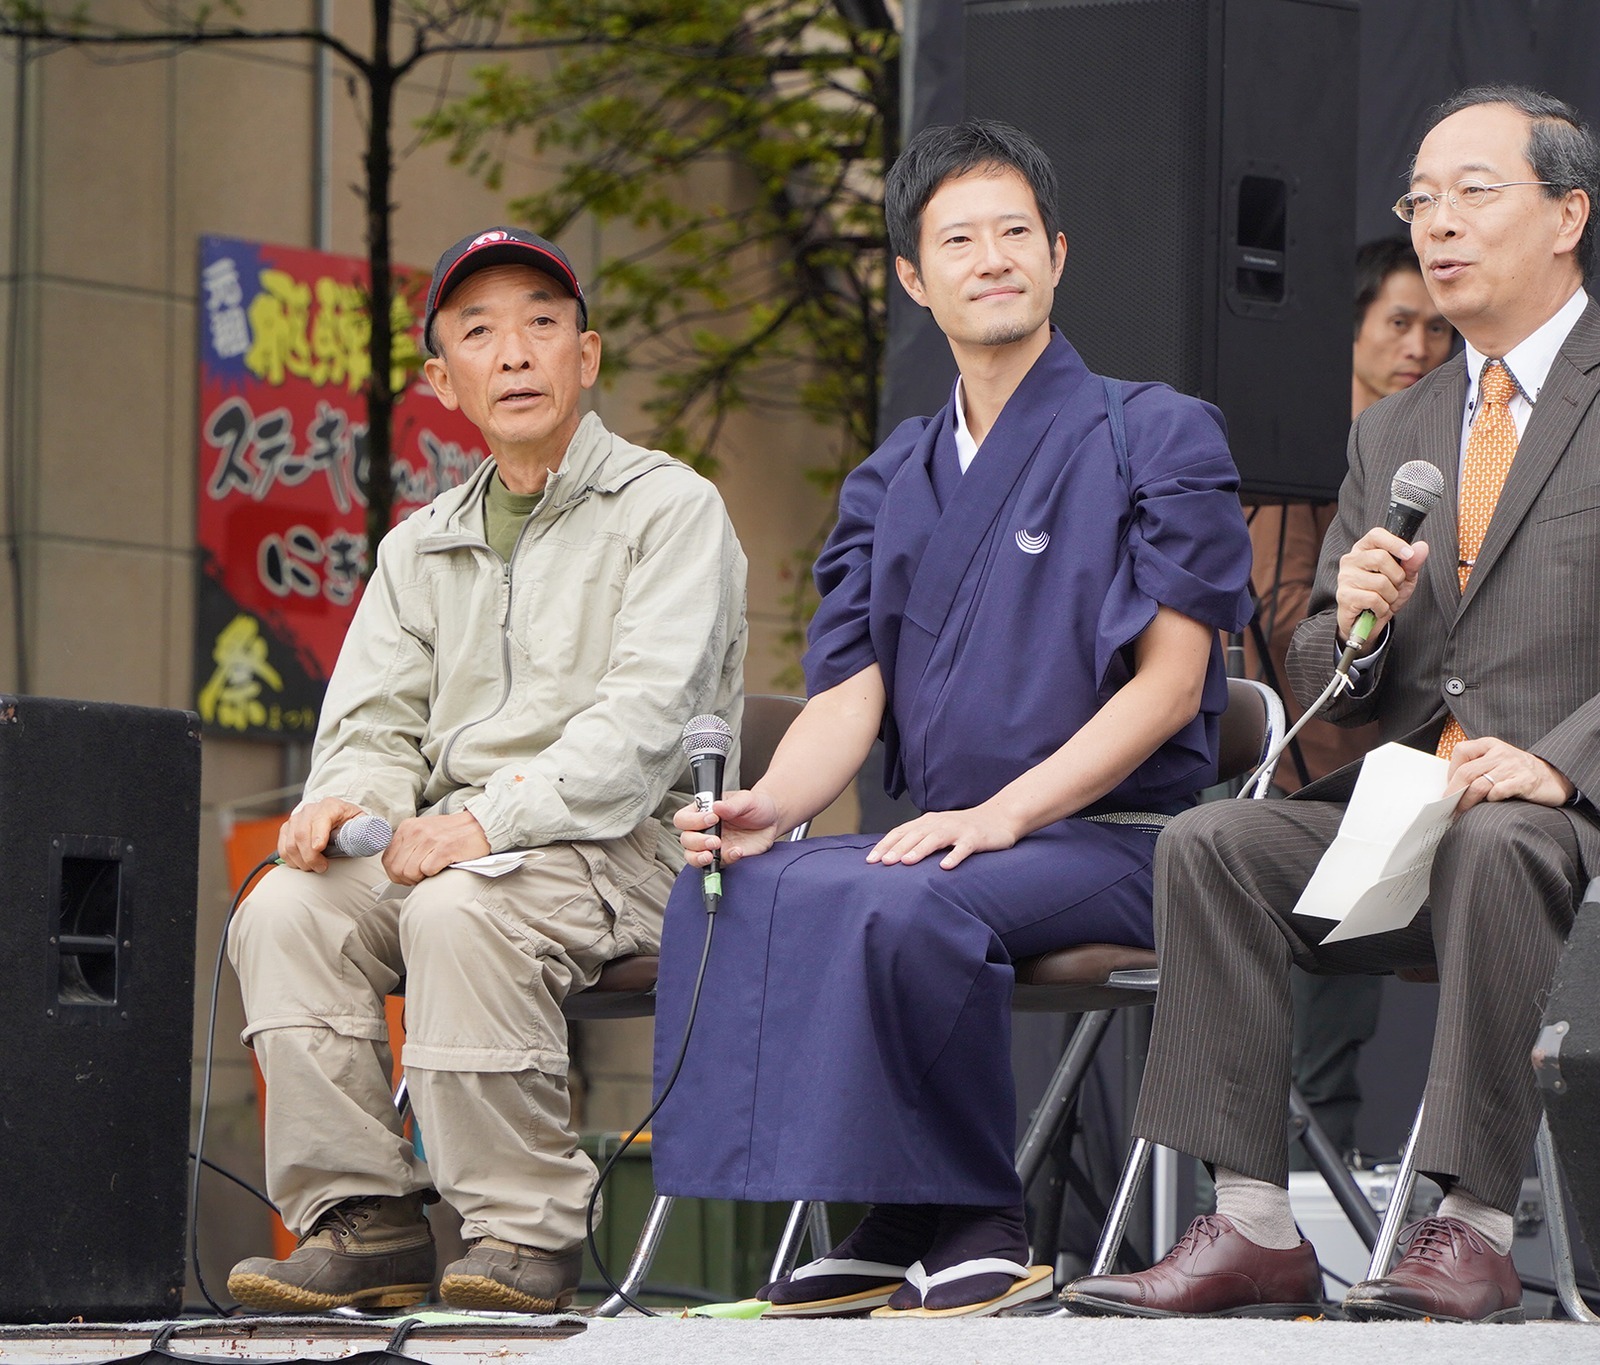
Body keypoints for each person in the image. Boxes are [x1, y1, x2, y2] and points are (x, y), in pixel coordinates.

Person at [1062, 85, 1600, 1324]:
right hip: (1423, 806)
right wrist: (1354, 617)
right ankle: (1252, 1224)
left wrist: (1553, 763)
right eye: (1418, 201)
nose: (1436, 225)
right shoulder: (1396, 429)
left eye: (1471, 194)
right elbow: (1337, 677)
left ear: (1566, 215)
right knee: (1213, 842)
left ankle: (1472, 1225)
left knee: (1497, 835)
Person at [652, 120, 1253, 1321]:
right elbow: (849, 689)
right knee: (749, 884)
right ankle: (885, 1209)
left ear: (1057, 257)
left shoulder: (1158, 431)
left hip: (1116, 839)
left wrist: (1001, 814)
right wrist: (772, 805)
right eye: (959, 240)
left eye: (1015, 234)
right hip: (963, 835)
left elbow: (1172, 684)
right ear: (914, 281)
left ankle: (980, 1215)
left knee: (904, 891)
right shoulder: (890, 476)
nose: (992, 259)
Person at [226, 227, 748, 1314]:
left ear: (586, 356)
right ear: (440, 379)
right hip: (463, 850)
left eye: (541, 326)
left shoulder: (670, 508)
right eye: (479, 332)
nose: (513, 354)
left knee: (460, 909)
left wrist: (487, 822)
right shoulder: (419, 547)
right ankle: (363, 1220)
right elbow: (370, 724)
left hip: (631, 848)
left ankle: (521, 1234)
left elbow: (645, 725)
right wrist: (352, 807)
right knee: (286, 910)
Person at [1263, 238, 1455, 1168]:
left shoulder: (1456, 451)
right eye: (1398, 322)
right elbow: (1284, 620)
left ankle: (1329, 1234)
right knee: (1290, 1042)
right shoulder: (1297, 466)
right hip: (1308, 770)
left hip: (1408, 775)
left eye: (1437, 328)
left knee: (1334, 1049)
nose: (1419, 344)